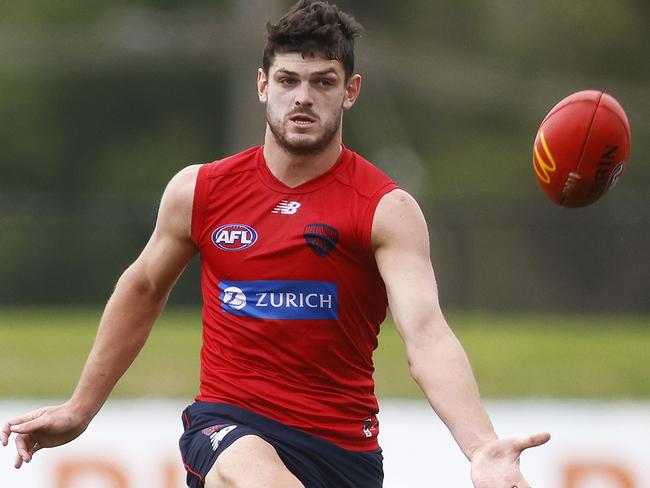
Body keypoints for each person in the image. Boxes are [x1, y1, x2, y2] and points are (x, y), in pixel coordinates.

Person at [1, 1, 550, 487]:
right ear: (263, 85)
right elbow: (143, 288)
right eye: (288, 80)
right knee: (247, 465)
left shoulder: (387, 209)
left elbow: (427, 336)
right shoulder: (200, 191)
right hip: (228, 426)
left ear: (350, 91)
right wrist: (80, 408)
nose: (303, 98)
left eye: (323, 81)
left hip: (343, 454)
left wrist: (482, 448)